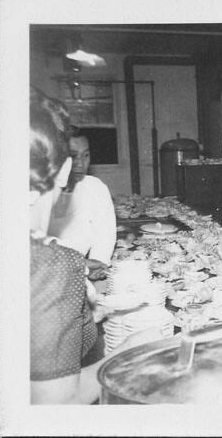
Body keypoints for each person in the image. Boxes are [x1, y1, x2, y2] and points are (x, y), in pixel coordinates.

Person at [29, 90, 161, 404]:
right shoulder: (54, 266)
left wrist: (90, 307)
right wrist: (133, 351)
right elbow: (56, 403)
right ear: (63, 168)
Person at [48, 134, 116, 271]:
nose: (80, 163)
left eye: (85, 155)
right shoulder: (40, 193)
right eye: (73, 156)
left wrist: (99, 263)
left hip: (83, 274)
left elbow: (105, 234)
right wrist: (82, 264)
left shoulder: (95, 187)